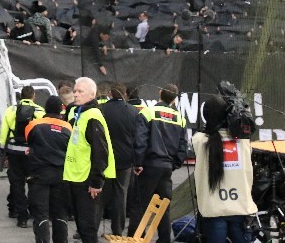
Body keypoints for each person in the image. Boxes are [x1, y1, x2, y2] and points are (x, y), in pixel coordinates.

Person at [193, 95, 258, 243]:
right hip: (240, 208)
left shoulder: (200, 140)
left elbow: (205, 133)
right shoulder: (243, 141)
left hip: (213, 209)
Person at [130, 84, 188, 243]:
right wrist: (173, 164)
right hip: (166, 167)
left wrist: (138, 163)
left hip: (148, 165)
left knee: (140, 205)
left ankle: (136, 238)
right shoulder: (180, 118)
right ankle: (164, 239)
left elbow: (140, 140)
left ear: (160, 93)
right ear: (174, 99)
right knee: (163, 206)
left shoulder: (148, 112)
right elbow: (183, 147)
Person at [63, 77, 115, 243]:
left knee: (88, 227)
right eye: (75, 91)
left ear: (92, 94)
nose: (75, 94)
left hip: (87, 181)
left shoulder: (92, 115)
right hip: (77, 177)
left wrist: (96, 182)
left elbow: (101, 152)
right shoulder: (80, 113)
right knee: (82, 225)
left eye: (80, 92)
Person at [25, 95, 72, 243]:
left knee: (41, 215)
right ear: (61, 110)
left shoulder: (33, 125)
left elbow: (29, 141)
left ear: (46, 108)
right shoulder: (68, 128)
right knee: (60, 214)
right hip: (61, 176)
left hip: (39, 176)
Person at [0, 85, 45, 227]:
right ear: (33, 96)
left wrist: (3, 149)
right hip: (31, 153)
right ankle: (34, 211)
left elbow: (4, 131)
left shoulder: (11, 110)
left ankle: (21, 217)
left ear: (20, 96)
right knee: (33, 184)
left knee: (17, 184)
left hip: (14, 152)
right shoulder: (39, 110)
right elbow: (42, 133)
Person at [100, 82, 140, 236]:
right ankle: (117, 230)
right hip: (125, 160)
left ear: (110, 93)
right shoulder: (133, 111)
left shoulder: (101, 110)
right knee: (120, 195)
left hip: (104, 158)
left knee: (100, 194)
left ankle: (92, 228)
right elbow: (137, 138)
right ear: (125, 94)